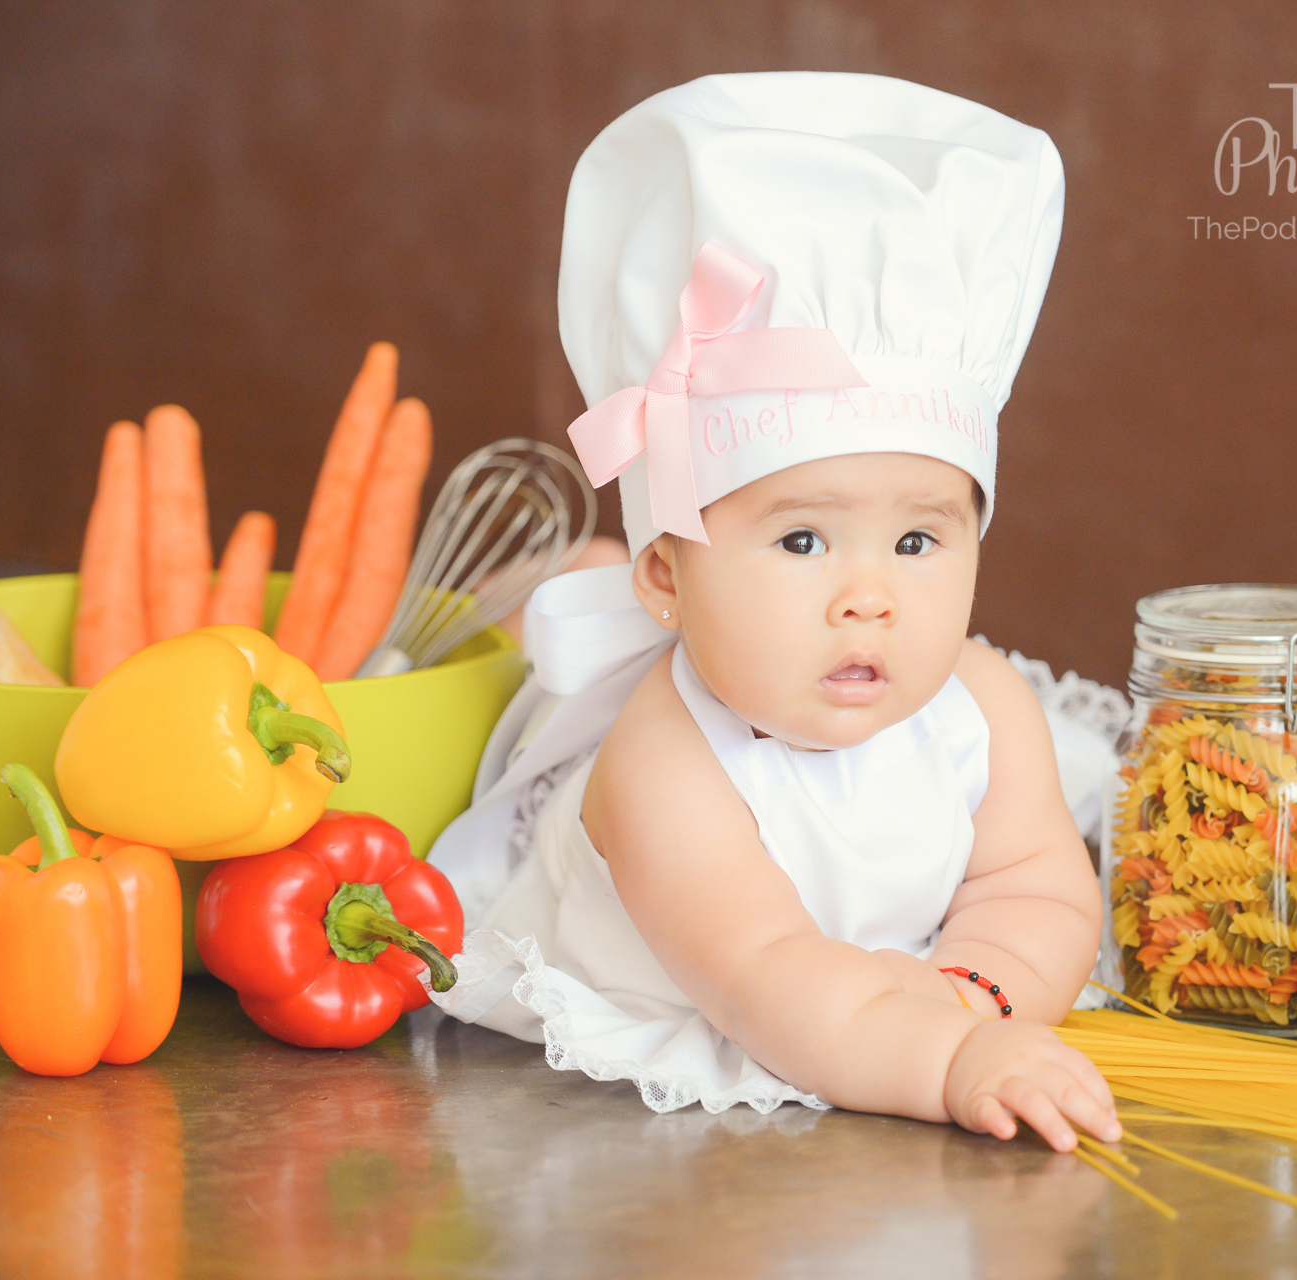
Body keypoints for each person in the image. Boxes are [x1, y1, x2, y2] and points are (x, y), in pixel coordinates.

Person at [428, 72, 1120, 1153]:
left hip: (894, 999)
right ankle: (543, 587)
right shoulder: (667, 765)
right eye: (802, 540)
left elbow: (1037, 887)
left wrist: (978, 993)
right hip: (727, 998)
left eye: (918, 539)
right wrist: (944, 1057)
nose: (869, 594)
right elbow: (769, 974)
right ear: (667, 575)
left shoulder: (982, 704)